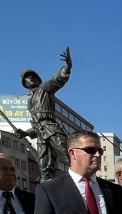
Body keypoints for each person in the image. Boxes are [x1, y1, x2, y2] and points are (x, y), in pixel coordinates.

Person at [15, 48, 71, 182]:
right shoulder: (30, 103)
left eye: (32, 76)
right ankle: (47, 193)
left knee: (68, 156)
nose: (30, 78)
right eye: (27, 78)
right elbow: (35, 125)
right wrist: (26, 133)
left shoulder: (45, 88)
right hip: (40, 133)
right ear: (24, 84)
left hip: (51, 128)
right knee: (44, 166)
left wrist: (68, 66)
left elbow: (58, 79)